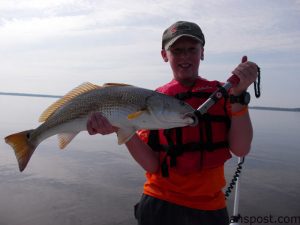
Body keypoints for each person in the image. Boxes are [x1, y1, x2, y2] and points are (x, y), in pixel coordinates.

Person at [87, 21, 258, 225]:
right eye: (177, 50)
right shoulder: (152, 100)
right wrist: (120, 128)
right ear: (164, 55)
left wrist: (239, 96)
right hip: (159, 204)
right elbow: (150, 164)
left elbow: (241, 149)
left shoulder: (224, 94)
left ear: (202, 52)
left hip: (210, 209)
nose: (185, 56)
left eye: (191, 49)